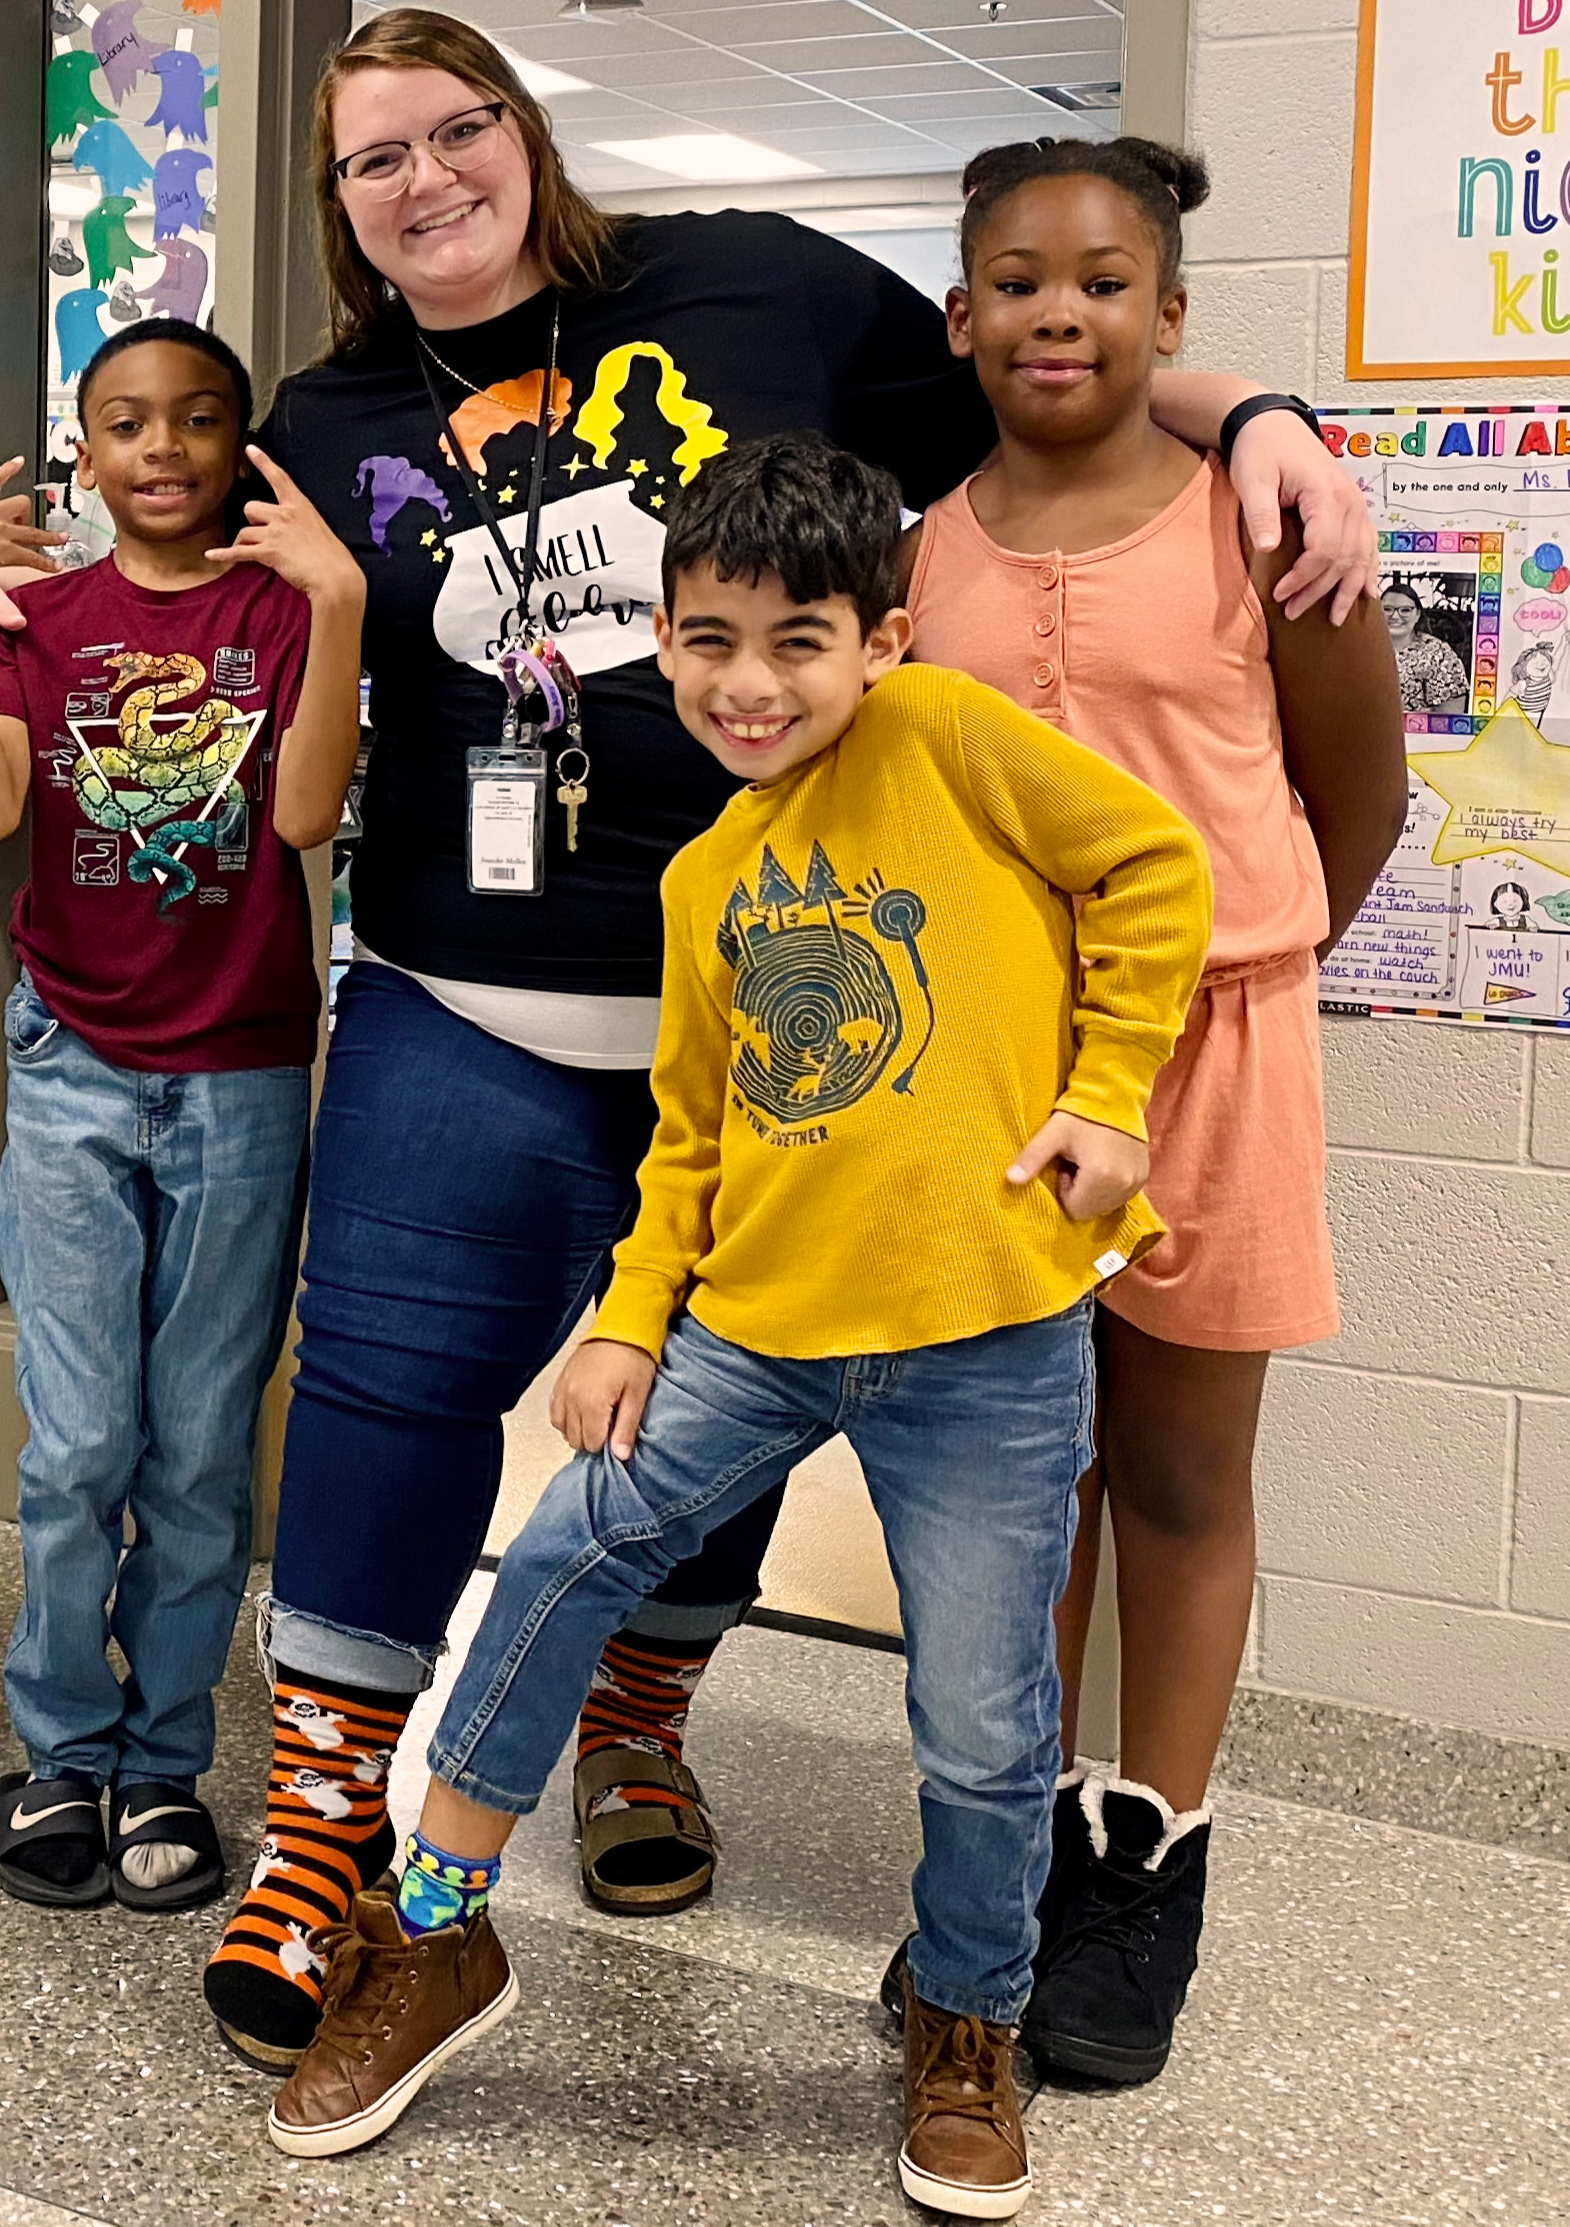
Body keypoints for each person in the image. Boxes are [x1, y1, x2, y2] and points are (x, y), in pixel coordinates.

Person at [0, 9, 1383, 2069]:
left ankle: (634, 1731)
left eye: (456, 133)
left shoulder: (748, 284)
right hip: (456, 999)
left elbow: (1045, 371)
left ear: (521, 140)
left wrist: (1257, 416)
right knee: (378, 1393)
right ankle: (327, 1821)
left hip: (773, 1009)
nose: (420, 180)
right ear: (334, 207)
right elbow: (176, 590)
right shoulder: (330, 408)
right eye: (370, 161)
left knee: (708, 1416)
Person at [265, 435, 1212, 2224]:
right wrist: (629, 1322)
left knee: (981, 1715)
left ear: (883, 639)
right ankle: (440, 1932)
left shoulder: (948, 740)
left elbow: (1154, 869)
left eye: (796, 639)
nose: (748, 682)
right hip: (754, 1327)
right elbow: (691, 1135)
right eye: (707, 639)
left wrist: (1112, 1095)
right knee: (556, 1551)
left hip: (988, 1334)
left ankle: (967, 2010)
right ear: (661, 640)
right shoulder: (706, 878)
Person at [895, 137, 1405, 2087]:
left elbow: (1352, 791)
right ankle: (995, 1859)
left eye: (1103, 281)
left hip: (1211, 1051)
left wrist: (1243, 976)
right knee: (1012, 1494)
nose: (1058, 311)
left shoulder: (1256, 524)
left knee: (1175, 1478)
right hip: (993, 1076)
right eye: (1016, 278)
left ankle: (1143, 1868)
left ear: (1168, 315)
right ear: (957, 314)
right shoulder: (916, 546)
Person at [0, 320, 364, 1912]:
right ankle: (63, 1743)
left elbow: (303, 813)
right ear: (83, 452)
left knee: (192, 1450)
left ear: (241, 441)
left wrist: (343, 602)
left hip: (244, 1073)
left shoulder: (283, 605)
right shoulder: (33, 614)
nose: (162, 446)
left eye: (197, 419)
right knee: (79, 1438)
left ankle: (166, 1748)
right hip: (76, 1061)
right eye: (125, 423)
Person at [1382, 581, 1467, 714]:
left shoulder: (1438, 652)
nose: (1395, 616)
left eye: (1405, 610)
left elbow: (1451, 714)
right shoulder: (1360, 649)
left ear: (1418, 614)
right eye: (1387, 609)